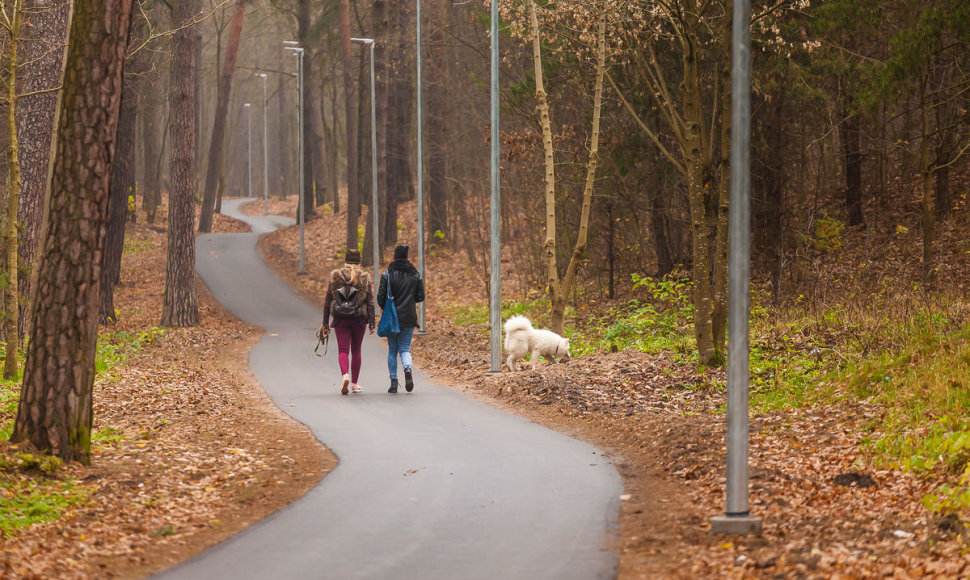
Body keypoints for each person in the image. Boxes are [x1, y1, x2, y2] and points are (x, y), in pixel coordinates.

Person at [323, 249, 375, 395]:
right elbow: (370, 301)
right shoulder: (364, 278)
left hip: (341, 319)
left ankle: (345, 375)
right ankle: (354, 383)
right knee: (356, 350)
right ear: (359, 262)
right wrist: (372, 323)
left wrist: (325, 324)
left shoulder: (336, 276)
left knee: (343, 351)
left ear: (345, 261)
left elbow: (328, 301)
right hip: (358, 319)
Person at [377, 244, 425, 393]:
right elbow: (420, 296)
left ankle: (393, 382)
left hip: (392, 318)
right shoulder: (415, 274)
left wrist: (385, 307)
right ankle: (408, 369)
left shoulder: (387, 274)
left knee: (392, 350)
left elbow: (380, 297)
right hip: (409, 317)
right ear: (406, 256)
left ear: (395, 256)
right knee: (405, 349)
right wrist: (409, 301)